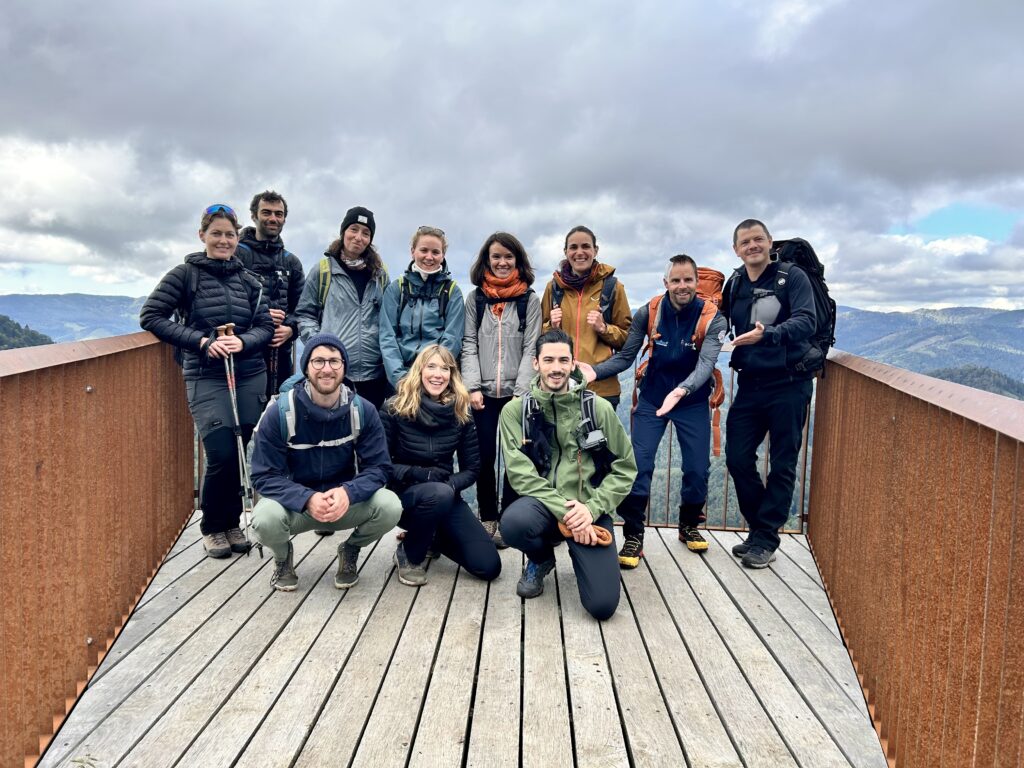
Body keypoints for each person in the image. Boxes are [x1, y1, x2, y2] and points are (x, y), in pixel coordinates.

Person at [140, 204, 274, 558]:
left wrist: (242, 341)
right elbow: (151, 316)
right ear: (202, 236)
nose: (223, 240)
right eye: (216, 233)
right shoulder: (185, 275)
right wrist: (201, 342)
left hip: (248, 375)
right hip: (205, 375)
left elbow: (266, 328)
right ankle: (213, 526)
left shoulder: (249, 281)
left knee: (240, 450)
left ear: (237, 238)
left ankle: (232, 523)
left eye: (229, 234)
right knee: (221, 452)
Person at [580, 255, 727, 567]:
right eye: (676, 280)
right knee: (639, 465)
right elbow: (626, 356)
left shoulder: (712, 317)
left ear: (697, 282)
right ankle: (634, 535)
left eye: (688, 280)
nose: (682, 286)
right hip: (651, 399)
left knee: (697, 469)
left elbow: (706, 364)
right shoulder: (649, 311)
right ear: (666, 283)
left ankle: (689, 526)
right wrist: (593, 372)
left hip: (690, 401)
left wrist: (681, 390)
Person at [499, 329, 637, 621]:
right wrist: (569, 513)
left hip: (590, 506)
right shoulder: (515, 412)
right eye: (548, 360)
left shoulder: (596, 408)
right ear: (536, 364)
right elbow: (521, 475)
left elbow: (625, 467)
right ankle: (541, 558)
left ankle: (580, 556)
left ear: (573, 363)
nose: (556, 368)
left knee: (602, 606)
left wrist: (591, 508)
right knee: (513, 524)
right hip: (545, 504)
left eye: (563, 360)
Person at [249, 333, 403, 591]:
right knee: (265, 518)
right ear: (306, 367)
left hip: (342, 504)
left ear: (344, 367)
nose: (327, 369)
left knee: (390, 506)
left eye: (334, 361)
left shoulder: (362, 410)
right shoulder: (281, 412)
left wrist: (348, 492)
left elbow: (379, 468)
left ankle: (351, 549)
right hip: (296, 506)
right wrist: (306, 498)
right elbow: (263, 475)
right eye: (318, 361)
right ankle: (282, 557)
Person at [722, 219, 816, 569]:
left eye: (757, 239)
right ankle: (762, 530)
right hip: (750, 384)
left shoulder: (792, 278)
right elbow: (720, 321)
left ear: (769, 242)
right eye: (745, 242)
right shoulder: (734, 284)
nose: (752, 246)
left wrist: (770, 334)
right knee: (737, 458)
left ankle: (764, 538)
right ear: (736, 249)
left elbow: (809, 320)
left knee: (783, 462)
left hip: (789, 383)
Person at [380, 345, 501, 586]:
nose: (438, 374)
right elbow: (379, 465)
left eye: (445, 368)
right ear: (419, 370)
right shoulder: (394, 408)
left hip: (444, 491)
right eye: (431, 366)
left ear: (452, 375)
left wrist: (449, 484)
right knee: (437, 494)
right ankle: (409, 555)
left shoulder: (460, 411)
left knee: (488, 566)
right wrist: (419, 474)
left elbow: (472, 468)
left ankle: (430, 537)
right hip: (404, 495)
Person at [461, 232, 542, 545]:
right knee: (482, 457)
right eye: (497, 257)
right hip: (481, 394)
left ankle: (508, 516)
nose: (503, 262)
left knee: (516, 457)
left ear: (518, 260)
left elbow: (531, 347)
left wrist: (521, 393)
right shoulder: (476, 299)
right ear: (487, 260)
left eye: (509, 257)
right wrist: (472, 386)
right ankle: (487, 517)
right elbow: (468, 342)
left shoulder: (528, 300)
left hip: (516, 393)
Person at [295, 206, 392, 410]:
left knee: (367, 432)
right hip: (334, 371)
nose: (358, 237)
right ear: (343, 232)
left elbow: (389, 318)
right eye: (353, 229)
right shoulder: (323, 270)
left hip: (373, 374)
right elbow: (304, 314)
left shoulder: (379, 275)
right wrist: (318, 344)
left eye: (366, 233)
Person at [541, 225, 632, 409]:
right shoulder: (554, 288)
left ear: (595, 250)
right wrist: (552, 327)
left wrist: (604, 329)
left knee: (600, 439)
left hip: (602, 389)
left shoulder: (613, 287)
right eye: (573, 247)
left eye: (586, 246)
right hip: (560, 387)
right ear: (566, 252)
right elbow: (539, 339)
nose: (579, 252)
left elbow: (628, 340)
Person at [235, 190, 305, 397]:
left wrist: (291, 329)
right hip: (244, 353)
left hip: (280, 353)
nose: (273, 218)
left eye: (278, 214)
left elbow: (303, 309)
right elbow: (225, 301)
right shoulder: (236, 255)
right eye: (266, 212)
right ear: (254, 216)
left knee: (279, 414)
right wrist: (260, 319)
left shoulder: (291, 262)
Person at [379, 225, 465, 387]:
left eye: (435, 252)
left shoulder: (452, 292)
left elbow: (452, 338)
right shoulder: (397, 289)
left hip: (436, 380)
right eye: (424, 250)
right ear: (413, 251)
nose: (429, 257)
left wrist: (433, 374)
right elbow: (387, 336)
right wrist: (400, 378)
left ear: (443, 255)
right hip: (401, 377)